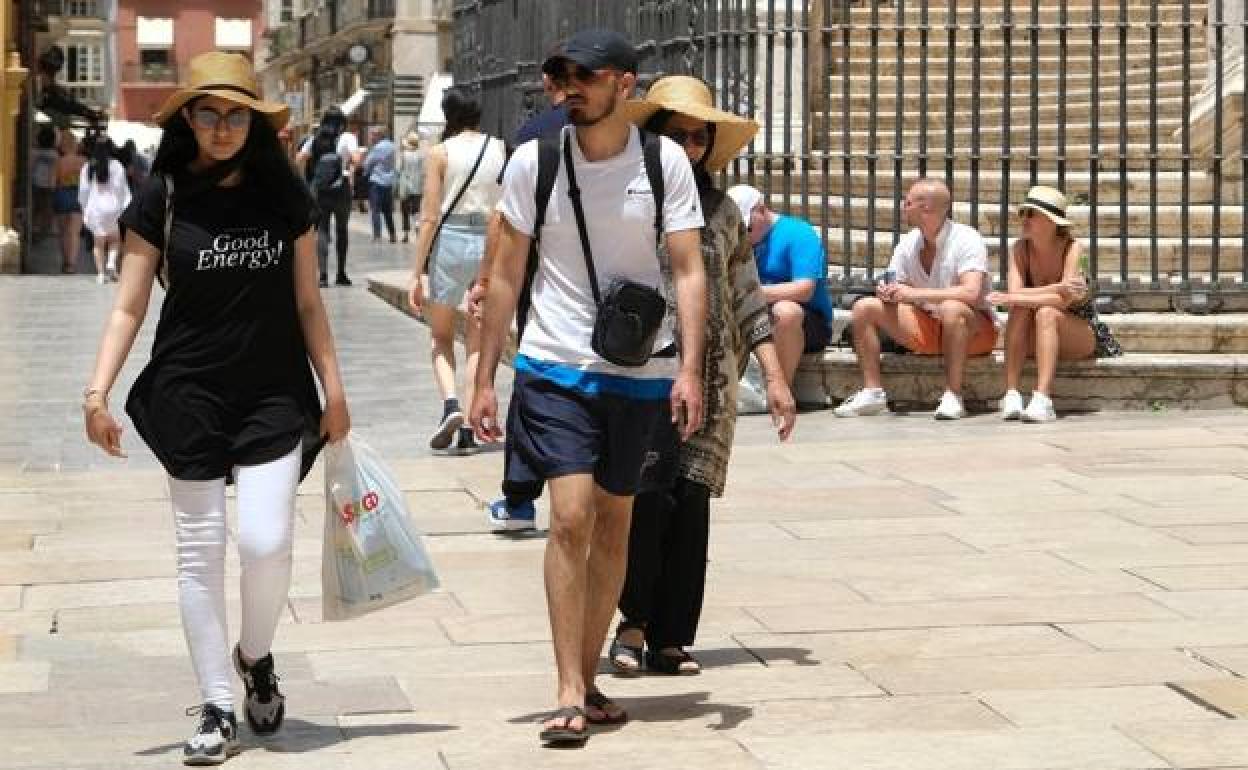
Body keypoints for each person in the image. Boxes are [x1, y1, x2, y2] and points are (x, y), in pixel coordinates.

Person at [81, 52, 350, 766]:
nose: (223, 127)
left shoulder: (284, 195)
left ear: (254, 121)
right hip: (188, 392)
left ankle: (254, 655)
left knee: (266, 543)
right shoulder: (162, 195)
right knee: (198, 553)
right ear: (188, 120)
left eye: (236, 113)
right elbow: (130, 304)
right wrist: (97, 390)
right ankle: (216, 703)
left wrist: (335, 390)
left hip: (273, 390)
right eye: (209, 112)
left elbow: (308, 302)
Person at [470, 29, 707, 745]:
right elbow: (507, 273)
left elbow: (689, 269)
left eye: (581, 76)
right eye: (556, 78)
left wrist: (691, 368)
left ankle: (589, 674)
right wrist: (482, 378)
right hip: (554, 362)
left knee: (616, 525)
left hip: (640, 369)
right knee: (570, 517)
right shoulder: (534, 161)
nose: (565, 89)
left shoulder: (664, 162)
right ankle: (568, 686)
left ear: (624, 85)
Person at [608, 75, 796, 677]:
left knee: (690, 505)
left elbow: (747, 295)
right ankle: (632, 624)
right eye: (679, 134)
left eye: (699, 137)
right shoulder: (632, 201)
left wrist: (773, 377)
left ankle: (672, 637)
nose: (690, 146)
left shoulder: (720, 213)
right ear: (655, 135)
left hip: (712, 381)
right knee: (645, 499)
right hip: (645, 374)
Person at [834, 178, 998, 420]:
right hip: (929, 326)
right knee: (865, 307)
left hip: (975, 331)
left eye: (907, 202)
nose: (903, 207)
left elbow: (971, 293)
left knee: (952, 308)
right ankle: (873, 392)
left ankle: (954, 395)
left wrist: (914, 294)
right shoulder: (909, 241)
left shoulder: (966, 238)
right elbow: (894, 279)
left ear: (926, 209)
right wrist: (887, 290)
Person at [408, 87, 506, 453]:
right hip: (490, 243)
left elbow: (430, 216)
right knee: (477, 341)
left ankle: (450, 403)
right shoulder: (499, 149)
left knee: (441, 337)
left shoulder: (440, 153)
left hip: (450, 241)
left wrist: (416, 271)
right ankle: (467, 423)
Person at [990, 186, 1122, 422]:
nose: (1025, 219)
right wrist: (1054, 287)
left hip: (1079, 333)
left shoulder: (1073, 248)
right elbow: (1016, 294)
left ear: (1051, 222)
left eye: (1032, 213)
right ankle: (1011, 393)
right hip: (1037, 334)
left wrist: (1020, 296)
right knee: (1021, 307)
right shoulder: (1020, 248)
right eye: (1024, 213)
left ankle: (1043, 399)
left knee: (1047, 312)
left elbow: (1064, 300)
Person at [725, 185, 835, 391]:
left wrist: (753, 293)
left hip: (807, 321)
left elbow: (805, 289)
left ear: (761, 210)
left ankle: (780, 390)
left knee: (785, 311)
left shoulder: (799, 233)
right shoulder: (738, 242)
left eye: (747, 229)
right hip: (755, 315)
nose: (744, 237)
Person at [297, 107, 359, 286]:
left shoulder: (314, 139)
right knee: (342, 230)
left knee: (322, 230)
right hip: (342, 189)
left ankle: (323, 275)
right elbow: (356, 159)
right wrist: (347, 163)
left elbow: (300, 158)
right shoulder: (347, 138)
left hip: (321, 191)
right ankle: (341, 273)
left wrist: (309, 180)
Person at [78, 138, 131, 284]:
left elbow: (83, 191)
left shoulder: (88, 167)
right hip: (114, 208)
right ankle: (112, 262)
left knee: (98, 244)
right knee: (115, 240)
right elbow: (123, 188)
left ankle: (101, 274)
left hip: (96, 208)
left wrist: (84, 208)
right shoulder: (117, 166)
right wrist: (126, 206)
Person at [52, 129, 86, 274]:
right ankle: (71, 264)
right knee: (74, 233)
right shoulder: (83, 161)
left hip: (62, 194)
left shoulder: (59, 161)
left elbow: (53, 181)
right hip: (78, 195)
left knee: (63, 232)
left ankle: (65, 261)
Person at [363, 127, 398, 243]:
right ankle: (392, 235)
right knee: (388, 210)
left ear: (379, 135)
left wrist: (365, 171)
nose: (371, 138)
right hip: (388, 182)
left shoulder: (378, 147)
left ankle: (377, 236)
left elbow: (368, 163)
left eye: (373, 135)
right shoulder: (392, 146)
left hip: (377, 181)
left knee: (375, 210)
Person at [31, 125, 59, 240]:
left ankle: (35, 229)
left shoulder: (34, 153)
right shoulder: (55, 154)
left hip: (35, 183)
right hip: (50, 185)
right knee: (47, 208)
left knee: (35, 209)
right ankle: (45, 230)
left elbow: (30, 168)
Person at [397, 132, 425, 243]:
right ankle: (417, 226)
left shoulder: (404, 154)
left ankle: (406, 234)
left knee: (405, 211)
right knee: (416, 210)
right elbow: (423, 171)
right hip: (417, 186)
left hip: (405, 186)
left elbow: (399, 169)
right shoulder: (420, 155)